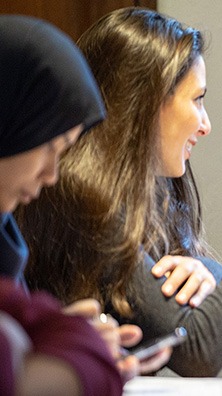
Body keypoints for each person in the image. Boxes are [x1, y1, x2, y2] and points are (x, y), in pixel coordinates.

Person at [15, 7, 222, 377]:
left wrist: (210, 272)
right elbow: (200, 354)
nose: (206, 124)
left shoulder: (154, 193)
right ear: (147, 103)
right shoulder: (83, 197)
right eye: (197, 99)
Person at [0, 15, 125, 395]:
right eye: (50, 147)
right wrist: (64, 345)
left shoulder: (6, 239)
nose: (51, 174)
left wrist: (57, 338)